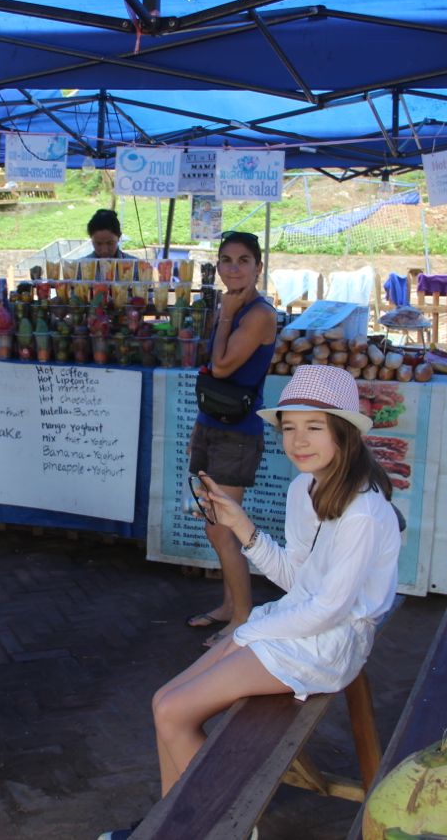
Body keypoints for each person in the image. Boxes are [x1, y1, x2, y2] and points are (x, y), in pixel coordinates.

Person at [99, 367, 401, 839]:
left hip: (328, 643)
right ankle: (175, 824)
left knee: (174, 711)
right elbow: (296, 580)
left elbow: (329, 610)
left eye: (314, 427)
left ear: (345, 433)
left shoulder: (363, 511)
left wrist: (245, 633)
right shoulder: (304, 488)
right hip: (297, 623)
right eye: (289, 428)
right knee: (164, 703)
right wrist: (240, 524)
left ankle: (224, 826)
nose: (298, 441)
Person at [186, 230, 277, 647]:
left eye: (243, 260)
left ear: (258, 267)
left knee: (224, 530)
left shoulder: (257, 314)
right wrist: (198, 428)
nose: (234, 268)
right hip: (213, 425)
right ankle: (228, 606)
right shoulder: (236, 307)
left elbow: (221, 367)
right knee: (214, 528)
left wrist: (225, 315)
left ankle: (242, 618)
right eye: (226, 260)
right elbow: (214, 377)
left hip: (237, 435)